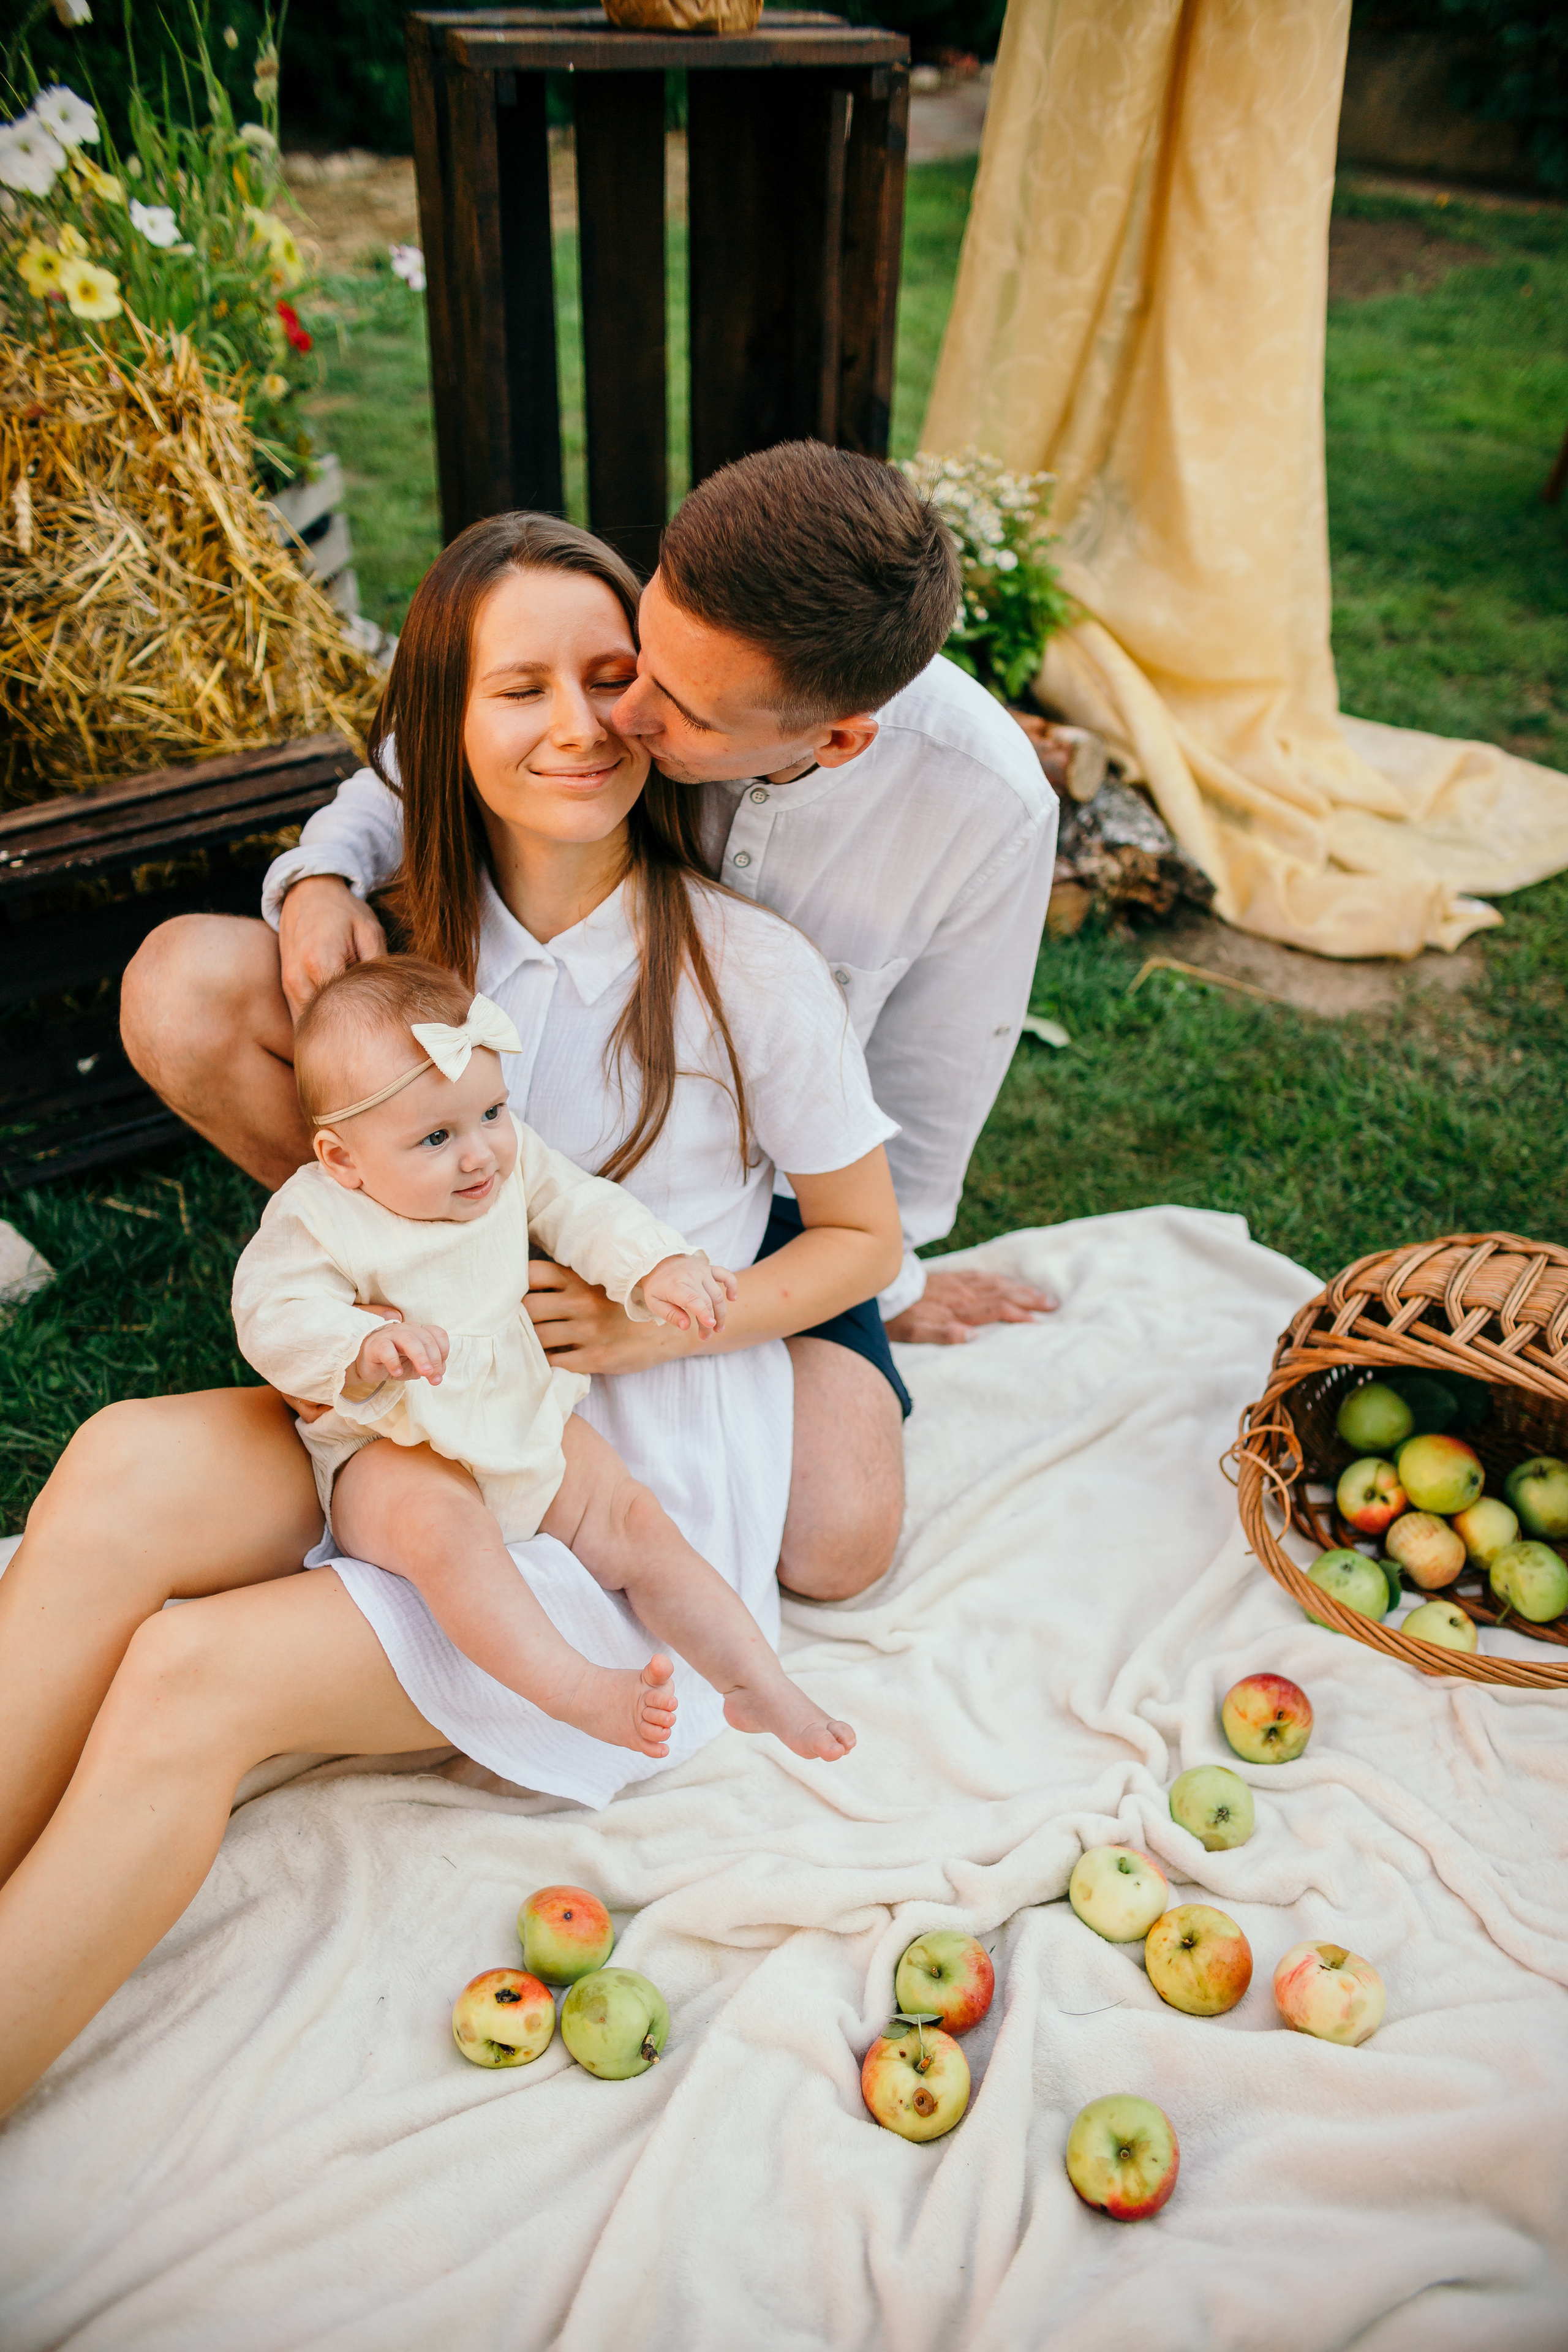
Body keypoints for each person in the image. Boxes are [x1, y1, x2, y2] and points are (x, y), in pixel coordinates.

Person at [0, 514, 902, 2119]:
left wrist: (669, 1326)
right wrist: (305, 887)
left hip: (613, 1482)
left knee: (190, 1676)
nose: (577, 723)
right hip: (421, 1411)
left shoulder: (748, 972)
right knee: (123, 1464)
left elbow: (860, 1240)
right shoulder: (403, 960)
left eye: (608, 677)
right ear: (441, 729)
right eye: (517, 689)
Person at [121, 442, 1061, 1604]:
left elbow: (931, 1077)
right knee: (185, 986)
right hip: (513, 1096)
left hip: (766, 1181)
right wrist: (321, 873)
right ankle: (406, 1262)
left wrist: (882, 1275)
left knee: (836, 1543)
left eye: (679, 708)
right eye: (640, 658)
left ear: (833, 740)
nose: (622, 717)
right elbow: (444, 738)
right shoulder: (634, 674)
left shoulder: (979, 811)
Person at [236, 954, 853, 1765]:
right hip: (394, 1440)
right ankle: (575, 1689)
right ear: (343, 1157)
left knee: (635, 1521)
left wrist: (655, 1267)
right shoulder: (317, 1214)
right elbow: (270, 1311)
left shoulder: (508, 1161)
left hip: (521, 1409)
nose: (480, 1155)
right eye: (436, 1137)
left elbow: (583, 1207)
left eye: (492, 1112)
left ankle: (755, 1681)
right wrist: (358, 1344)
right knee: (446, 1536)